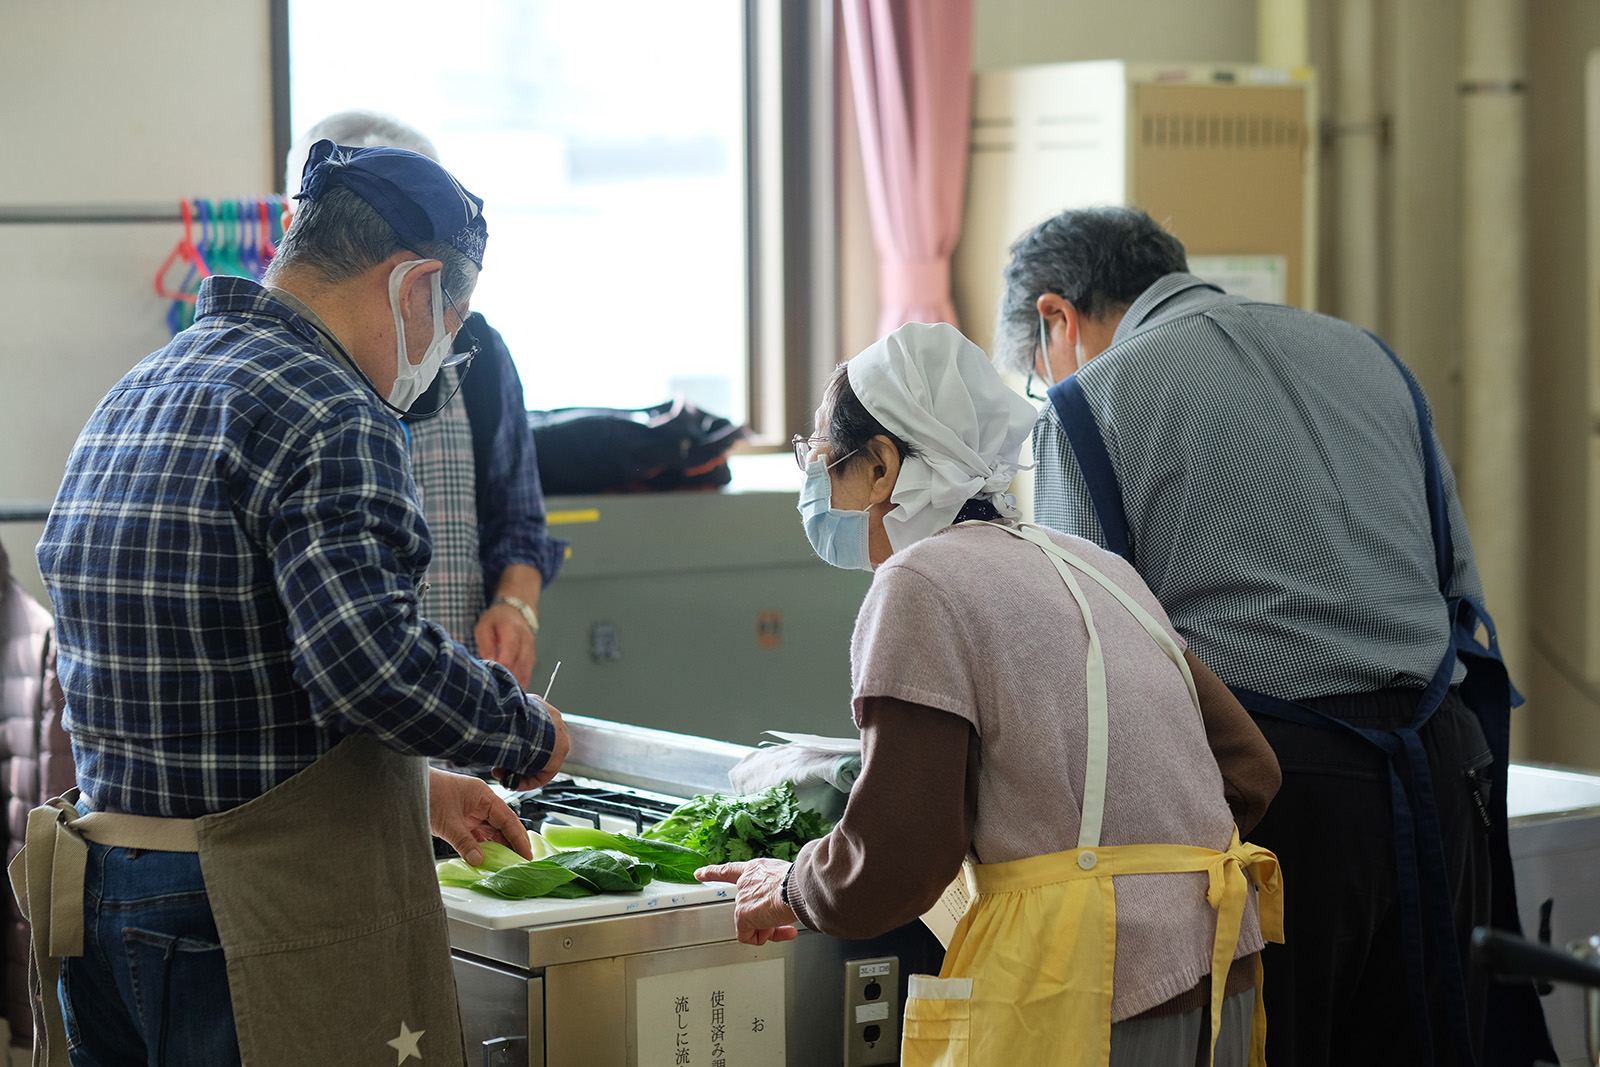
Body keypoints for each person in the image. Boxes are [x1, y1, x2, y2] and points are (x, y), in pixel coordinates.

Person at [21, 140, 568, 1066]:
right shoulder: (333, 408)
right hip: (244, 913)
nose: (443, 355)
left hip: (106, 897)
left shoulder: (143, 389)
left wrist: (415, 794)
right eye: (453, 321)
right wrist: (525, 731)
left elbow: (221, 674)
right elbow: (371, 663)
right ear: (414, 286)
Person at [994, 205, 1552, 1067]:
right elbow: (1457, 591)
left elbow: (1098, 674)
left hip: (1275, 806)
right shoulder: (1370, 354)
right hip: (1442, 780)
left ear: (1056, 318)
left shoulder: (1086, 404)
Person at [697, 322, 1283, 1067]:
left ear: (881, 466)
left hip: (1085, 994)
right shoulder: (1093, 565)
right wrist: (1140, 873)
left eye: (819, 456)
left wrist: (792, 884)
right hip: (1219, 979)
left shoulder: (917, 582)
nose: (813, 478)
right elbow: (1250, 769)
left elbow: (899, 856)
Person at [284, 110, 565, 690]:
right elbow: (360, 656)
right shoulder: (303, 394)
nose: (435, 331)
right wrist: (517, 731)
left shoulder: (478, 356)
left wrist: (516, 607)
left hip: (451, 701)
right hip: (353, 739)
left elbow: (519, 521)